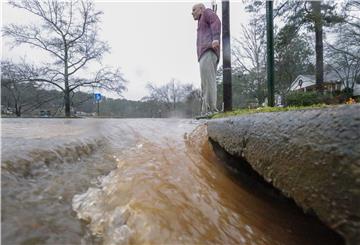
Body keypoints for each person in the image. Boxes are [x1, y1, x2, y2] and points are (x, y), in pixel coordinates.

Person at [192, 3, 221, 115]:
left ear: (201, 9)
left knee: (208, 82)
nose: (192, 12)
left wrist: (216, 38)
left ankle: (210, 110)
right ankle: (206, 110)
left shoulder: (207, 12)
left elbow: (216, 22)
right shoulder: (201, 21)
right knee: (206, 82)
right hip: (204, 54)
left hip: (208, 51)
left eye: (194, 10)